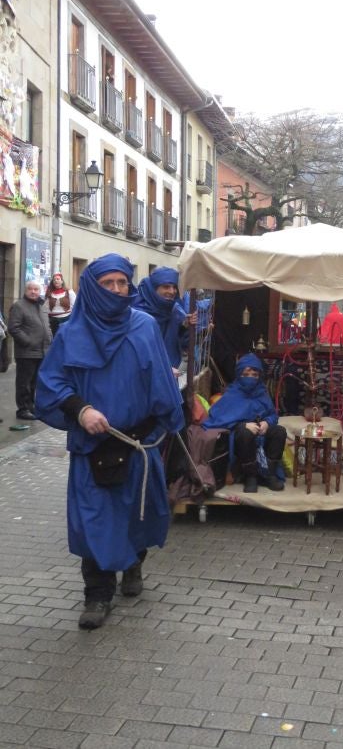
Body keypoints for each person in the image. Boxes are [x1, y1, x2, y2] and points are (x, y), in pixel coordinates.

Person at [34, 254, 185, 630]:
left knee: (138, 512)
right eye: (108, 283)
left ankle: (133, 565)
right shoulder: (71, 333)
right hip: (93, 446)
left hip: (139, 444)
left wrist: (167, 422)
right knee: (95, 521)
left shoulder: (144, 326)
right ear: (91, 287)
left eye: (122, 283)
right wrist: (81, 409)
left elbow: (161, 381)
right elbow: (51, 384)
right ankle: (97, 594)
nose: (117, 290)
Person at [202, 353, 286, 493]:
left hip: (261, 431)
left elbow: (272, 414)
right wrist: (242, 425)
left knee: (279, 431)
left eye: (254, 375)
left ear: (259, 376)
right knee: (244, 433)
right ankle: (250, 476)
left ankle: (269, 475)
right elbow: (216, 419)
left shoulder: (262, 393)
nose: (250, 378)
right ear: (239, 374)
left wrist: (267, 422)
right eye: (246, 374)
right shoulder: (232, 394)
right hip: (241, 437)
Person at [134, 267, 195, 370]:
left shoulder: (175, 310)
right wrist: (162, 368)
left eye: (174, 287)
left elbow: (184, 344)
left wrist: (186, 326)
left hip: (171, 373)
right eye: (166, 287)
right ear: (153, 288)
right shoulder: (137, 314)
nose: (172, 291)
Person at [7, 280, 52, 420]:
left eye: (36, 289)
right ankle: (23, 409)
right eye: (30, 289)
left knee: (34, 382)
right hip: (26, 352)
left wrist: (50, 341)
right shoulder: (19, 306)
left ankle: (31, 406)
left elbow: (47, 326)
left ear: (40, 291)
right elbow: (13, 327)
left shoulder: (42, 306)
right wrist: (27, 341)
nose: (33, 292)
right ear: (25, 290)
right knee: (24, 383)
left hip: (42, 351)